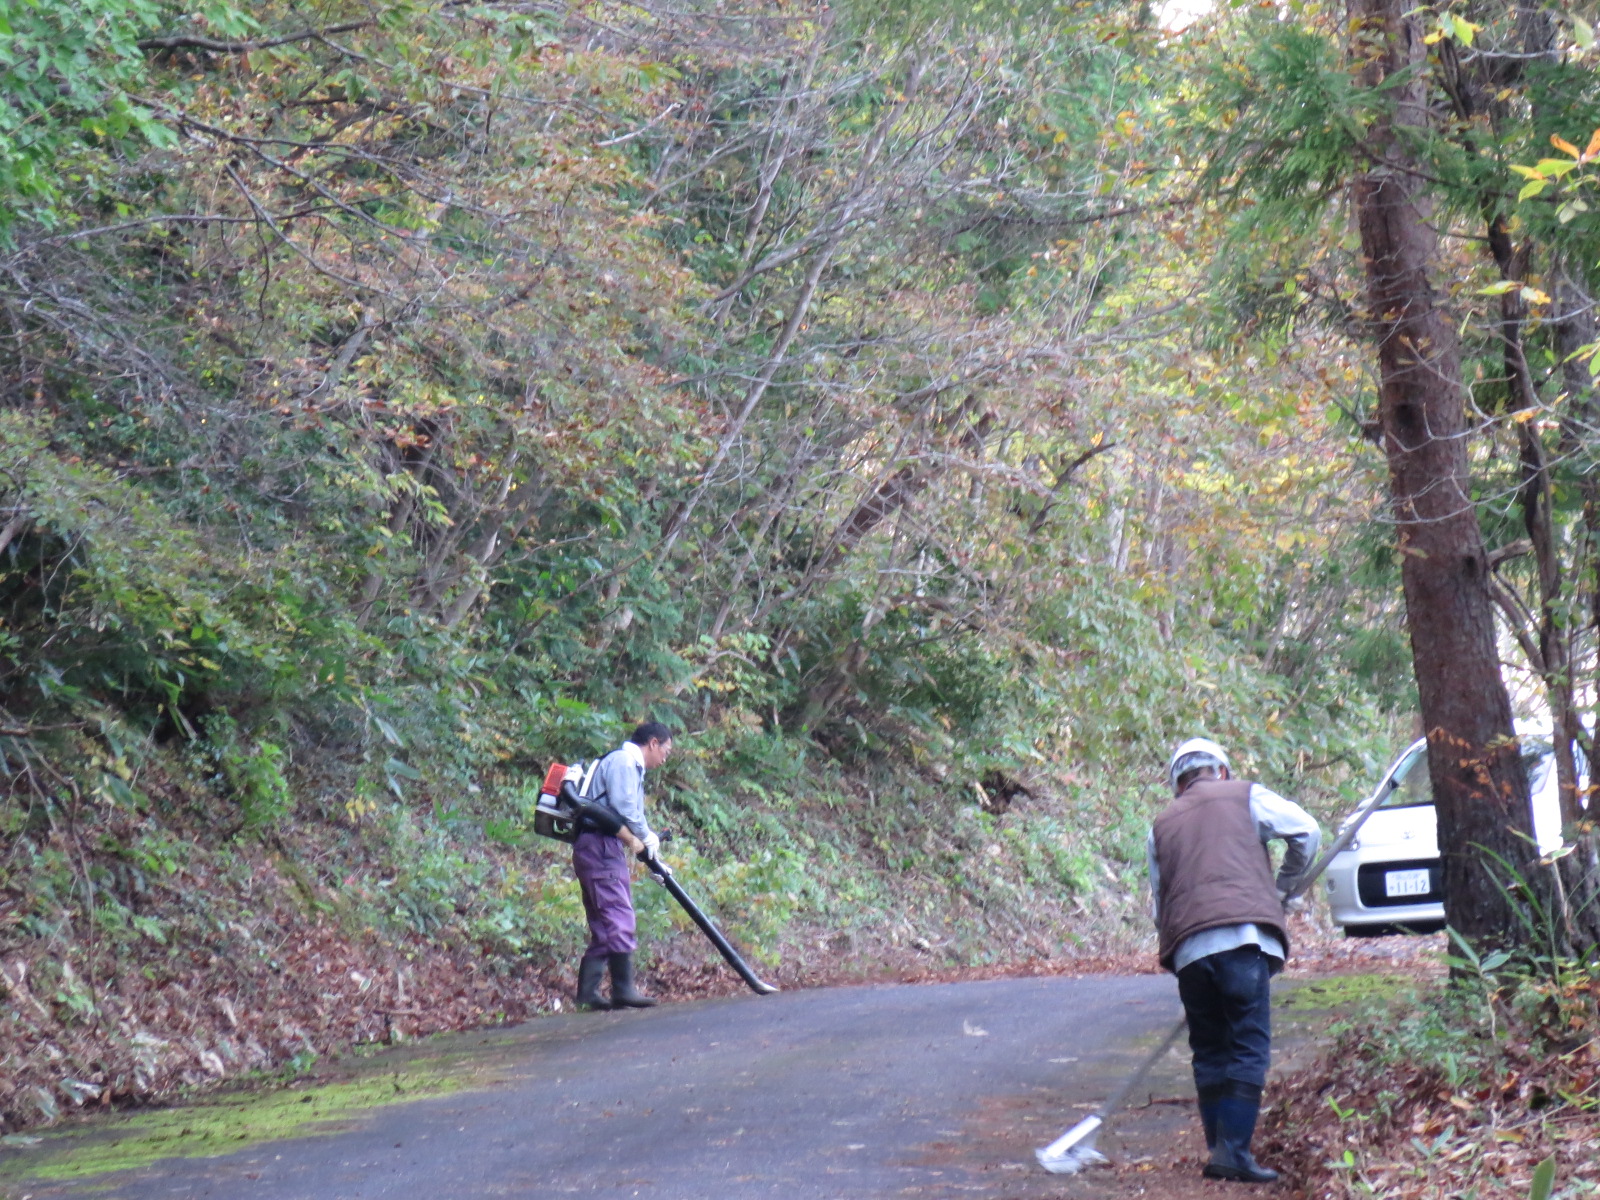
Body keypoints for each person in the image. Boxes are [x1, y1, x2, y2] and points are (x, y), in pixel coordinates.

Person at [1147, 737, 1320, 1184]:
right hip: (1243, 939)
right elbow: (1307, 831)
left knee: (1208, 1049)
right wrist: (1285, 889)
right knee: (1247, 1043)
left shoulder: (1161, 824)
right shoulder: (1245, 795)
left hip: (1188, 948)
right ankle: (1234, 1152)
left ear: (1177, 784)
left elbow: (1158, 904)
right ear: (1220, 770)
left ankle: (1221, 1149)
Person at [572, 721, 673, 1011]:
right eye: (664, 750)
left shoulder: (624, 763)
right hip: (600, 844)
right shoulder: (625, 761)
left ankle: (588, 995)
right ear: (652, 743)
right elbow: (625, 808)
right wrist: (644, 835)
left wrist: (650, 851)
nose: (664, 758)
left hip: (599, 844)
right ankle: (623, 989)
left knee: (604, 923)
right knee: (617, 914)